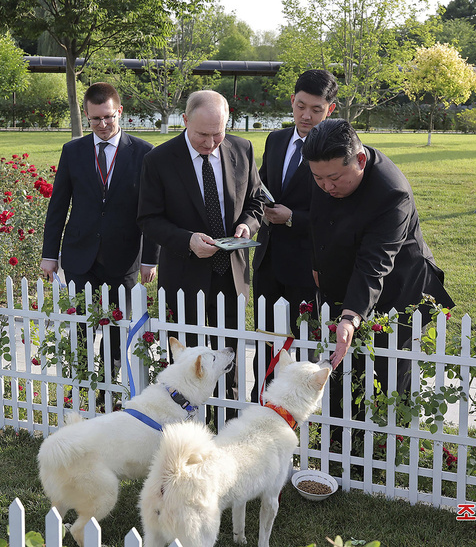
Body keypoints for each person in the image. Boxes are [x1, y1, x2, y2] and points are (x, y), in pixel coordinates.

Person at [302, 118, 455, 442]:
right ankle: (341, 443)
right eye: (318, 178)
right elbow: (318, 221)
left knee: (390, 374)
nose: (326, 186)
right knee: (342, 367)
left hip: (399, 291)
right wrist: (319, 264)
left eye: (333, 178)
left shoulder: (391, 193)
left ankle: (388, 447)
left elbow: (375, 264)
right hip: (347, 283)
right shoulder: (325, 170)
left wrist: (351, 316)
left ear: (359, 161)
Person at [138, 90, 264, 418]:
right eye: (202, 135)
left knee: (228, 357)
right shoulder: (159, 160)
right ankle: (188, 427)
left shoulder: (242, 148)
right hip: (184, 277)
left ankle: (228, 425)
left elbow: (256, 201)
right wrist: (187, 240)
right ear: (185, 121)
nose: (210, 143)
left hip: (231, 274)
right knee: (187, 363)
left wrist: (247, 226)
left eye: (217, 133)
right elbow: (148, 220)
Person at [41, 82, 158, 374]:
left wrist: (150, 258)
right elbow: (58, 206)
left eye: (108, 116)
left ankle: (109, 386)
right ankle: (83, 386)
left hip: (124, 259)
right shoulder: (73, 151)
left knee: (116, 330)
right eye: (95, 119)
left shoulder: (145, 153)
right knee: (81, 327)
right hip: (80, 257)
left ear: (119, 111)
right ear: (86, 116)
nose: (103, 124)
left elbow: (154, 211)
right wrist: (49, 254)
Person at [250, 69, 338, 403]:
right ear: (292, 101)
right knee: (267, 344)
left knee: (304, 350)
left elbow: (337, 212)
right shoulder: (275, 140)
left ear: (329, 109)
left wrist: (292, 219)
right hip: (268, 261)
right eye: (301, 106)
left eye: (316, 109)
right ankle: (262, 405)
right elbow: (260, 185)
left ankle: (301, 414)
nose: (306, 115)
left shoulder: (336, 146)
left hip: (308, 264)